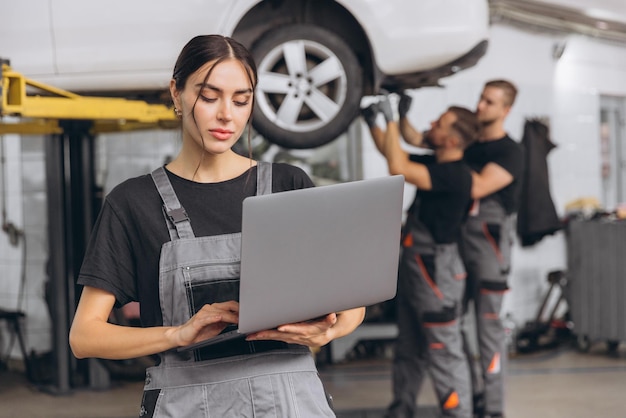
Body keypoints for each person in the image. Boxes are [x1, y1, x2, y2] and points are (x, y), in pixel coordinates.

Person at [69, 34, 365, 418]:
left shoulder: (287, 185)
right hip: (185, 402)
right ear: (176, 94)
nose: (227, 114)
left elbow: (352, 302)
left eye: (241, 100)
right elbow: (85, 336)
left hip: (292, 400)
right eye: (209, 97)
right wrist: (177, 334)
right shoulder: (132, 203)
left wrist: (330, 331)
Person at [397, 81, 523, 418]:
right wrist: (400, 113)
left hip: (487, 250)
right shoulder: (466, 144)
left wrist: (444, 171)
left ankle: (492, 409)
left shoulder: (509, 152)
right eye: (481, 98)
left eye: (490, 102)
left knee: (489, 332)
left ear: (505, 111)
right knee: (452, 329)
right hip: (451, 246)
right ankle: (471, 396)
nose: (481, 106)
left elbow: (477, 186)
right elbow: (416, 139)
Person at [361, 94, 480, 418]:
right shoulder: (436, 163)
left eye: (439, 124)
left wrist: (391, 118)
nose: (431, 125)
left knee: (443, 348)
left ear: (452, 140)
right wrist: (373, 120)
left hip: (437, 270)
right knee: (409, 345)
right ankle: (402, 408)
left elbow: (397, 167)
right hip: (418, 265)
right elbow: (393, 151)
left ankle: (459, 414)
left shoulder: (456, 175)